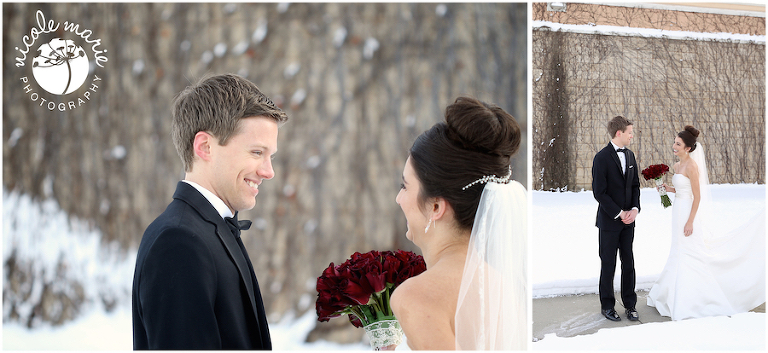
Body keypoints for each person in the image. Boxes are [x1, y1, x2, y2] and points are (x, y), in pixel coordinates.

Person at [132, 74, 288, 349]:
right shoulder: (178, 241)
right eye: (256, 152)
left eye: (270, 156)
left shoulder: (207, 229)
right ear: (205, 147)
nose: (268, 171)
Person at [390, 97, 527, 350]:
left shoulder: (417, 297)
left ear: (436, 207)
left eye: (405, 186)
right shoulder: (504, 287)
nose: (399, 198)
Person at [647, 126, 765, 320]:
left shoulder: (692, 166)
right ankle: (672, 292)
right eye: (675, 142)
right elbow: (681, 190)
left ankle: (695, 298)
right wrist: (667, 188)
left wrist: (690, 222)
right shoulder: (677, 166)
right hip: (677, 210)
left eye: (678, 144)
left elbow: (697, 196)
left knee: (690, 252)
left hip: (688, 212)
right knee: (678, 249)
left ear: (688, 148)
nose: (674, 146)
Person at [591, 115, 641, 322]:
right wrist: (619, 213)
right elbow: (599, 192)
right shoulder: (601, 158)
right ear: (619, 133)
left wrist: (635, 209)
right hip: (609, 221)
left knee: (628, 263)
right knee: (608, 264)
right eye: (630, 132)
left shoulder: (630, 156)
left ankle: (630, 304)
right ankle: (607, 306)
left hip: (629, 222)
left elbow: (635, 185)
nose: (632, 136)